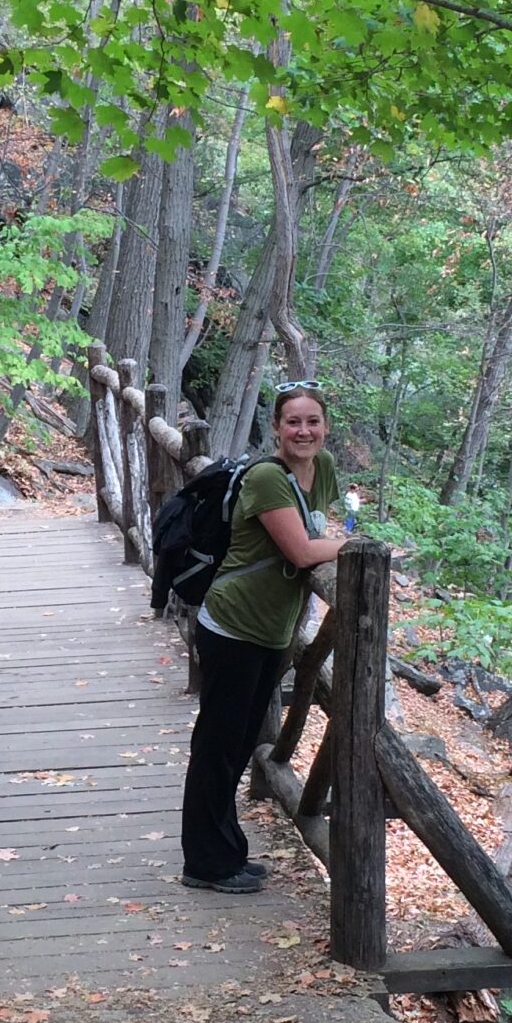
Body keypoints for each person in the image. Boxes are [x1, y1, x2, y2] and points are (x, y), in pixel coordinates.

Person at [179, 382, 344, 893]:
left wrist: (333, 543)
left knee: (240, 740)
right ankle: (205, 863)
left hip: (272, 630)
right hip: (233, 626)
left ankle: (227, 850)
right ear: (276, 427)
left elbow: (319, 528)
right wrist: (355, 546)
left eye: (312, 421)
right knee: (219, 744)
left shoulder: (325, 468)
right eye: (293, 422)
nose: (303, 431)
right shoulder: (268, 478)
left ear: (325, 426)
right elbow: (301, 550)